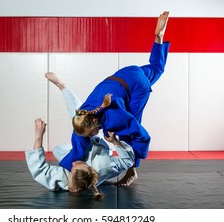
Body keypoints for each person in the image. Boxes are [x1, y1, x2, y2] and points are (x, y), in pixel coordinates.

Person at [57, 11, 170, 186]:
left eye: (92, 134)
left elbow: (142, 136)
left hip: (137, 88)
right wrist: (67, 170)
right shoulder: (82, 114)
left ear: (95, 127)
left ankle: (132, 172)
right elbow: (78, 140)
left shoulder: (113, 119)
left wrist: (134, 156)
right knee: (157, 68)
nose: (92, 136)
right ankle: (159, 38)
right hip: (129, 73)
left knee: (129, 133)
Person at [25, 118, 135, 200]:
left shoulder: (63, 178)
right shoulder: (104, 165)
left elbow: (38, 169)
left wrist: (38, 136)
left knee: (58, 150)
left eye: (73, 167)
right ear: (90, 169)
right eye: (80, 163)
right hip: (96, 146)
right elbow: (128, 161)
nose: (73, 163)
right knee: (85, 122)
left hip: (71, 150)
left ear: (70, 175)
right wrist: (115, 142)